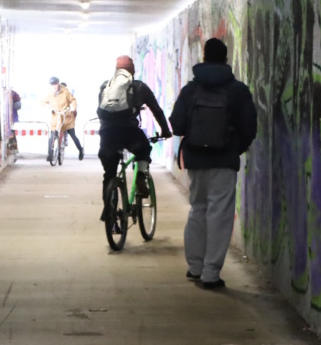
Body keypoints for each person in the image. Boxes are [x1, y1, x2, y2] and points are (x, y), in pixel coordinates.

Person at [168, 38, 256, 290]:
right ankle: (210, 273)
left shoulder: (191, 90)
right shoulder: (237, 91)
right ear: (226, 58)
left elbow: (178, 125)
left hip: (195, 160)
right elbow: (249, 127)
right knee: (220, 214)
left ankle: (195, 267)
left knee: (198, 210)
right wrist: (233, 148)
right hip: (224, 161)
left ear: (204, 57)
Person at [96, 55, 172, 218]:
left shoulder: (105, 86)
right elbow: (157, 110)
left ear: (116, 71)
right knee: (144, 148)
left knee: (109, 175)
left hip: (107, 134)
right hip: (128, 131)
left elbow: (101, 111)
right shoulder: (139, 87)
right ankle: (140, 176)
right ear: (133, 71)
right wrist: (165, 131)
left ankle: (108, 208)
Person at [44, 76, 84, 162]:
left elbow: (73, 100)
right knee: (52, 136)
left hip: (66, 117)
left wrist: (73, 108)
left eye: (55, 84)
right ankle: (50, 154)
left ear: (58, 83)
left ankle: (80, 150)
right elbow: (44, 102)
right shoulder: (50, 93)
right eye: (52, 84)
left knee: (73, 135)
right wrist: (48, 107)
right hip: (56, 117)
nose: (54, 86)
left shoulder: (65, 92)